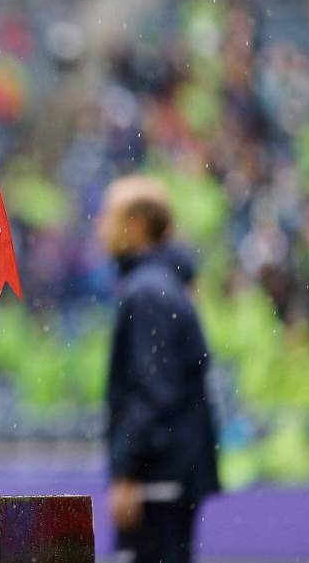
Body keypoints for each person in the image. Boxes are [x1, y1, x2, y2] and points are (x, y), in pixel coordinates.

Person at [96, 176, 220, 563]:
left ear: (135, 224)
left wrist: (128, 472)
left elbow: (153, 392)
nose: (100, 225)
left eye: (109, 215)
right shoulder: (162, 285)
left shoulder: (148, 291)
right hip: (170, 473)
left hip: (157, 479)